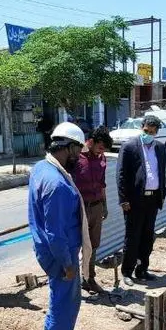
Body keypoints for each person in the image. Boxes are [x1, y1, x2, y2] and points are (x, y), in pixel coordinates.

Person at [27, 122, 91, 330]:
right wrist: (68, 264)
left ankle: (51, 327)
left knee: (57, 289)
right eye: (79, 151)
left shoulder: (41, 168)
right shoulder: (58, 185)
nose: (80, 157)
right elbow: (56, 232)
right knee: (68, 296)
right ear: (68, 147)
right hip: (59, 251)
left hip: (45, 247)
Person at [117, 115, 166, 287]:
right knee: (132, 237)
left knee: (147, 236)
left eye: (152, 132)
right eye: (146, 131)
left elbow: (162, 172)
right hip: (135, 200)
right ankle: (127, 272)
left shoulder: (160, 148)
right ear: (142, 127)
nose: (148, 134)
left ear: (157, 132)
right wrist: (123, 199)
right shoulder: (129, 147)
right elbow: (121, 175)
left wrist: (162, 195)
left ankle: (142, 269)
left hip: (152, 199)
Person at [73, 126, 112, 294]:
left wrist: (104, 205)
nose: (101, 152)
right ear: (91, 142)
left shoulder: (102, 158)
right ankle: (72, 280)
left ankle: (89, 279)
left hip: (96, 207)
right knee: (75, 244)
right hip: (78, 209)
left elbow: (102, 184)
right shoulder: (75, 158)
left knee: (93, 245)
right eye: (100, 147)